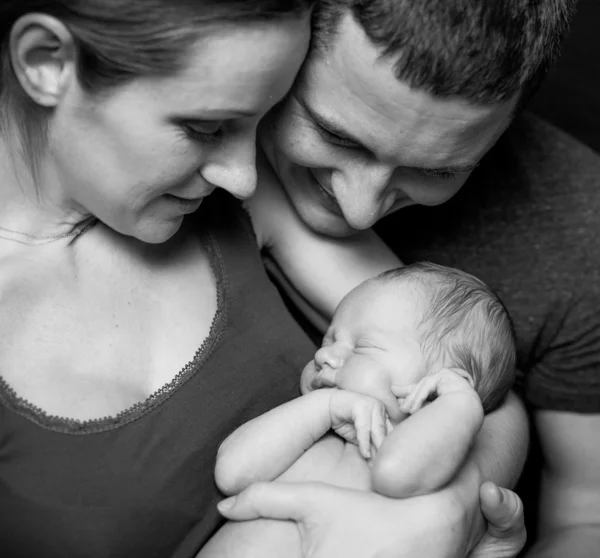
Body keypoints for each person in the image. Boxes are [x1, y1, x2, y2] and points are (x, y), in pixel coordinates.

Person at [0, 2, 523, 557]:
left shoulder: (238, 201)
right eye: (206, 127)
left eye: (267, 115)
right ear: (47, 61)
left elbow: (482, 378)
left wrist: (447, 510)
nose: (245, 174)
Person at [218, 0, 600, 556]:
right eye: (336, 135)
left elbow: (586, 525)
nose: (359, 213)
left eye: (435, 170)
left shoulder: (582, 234)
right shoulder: (200, 150)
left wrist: (451, 509)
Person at [204, 262, 518, 557]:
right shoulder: (310, 430)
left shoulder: (419, 456)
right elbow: (233, 473)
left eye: (362, 347)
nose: (325, 354)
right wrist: (323, 406)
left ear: (436, 389)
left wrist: (459, 403)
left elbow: (395, 473)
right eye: (328, 338)